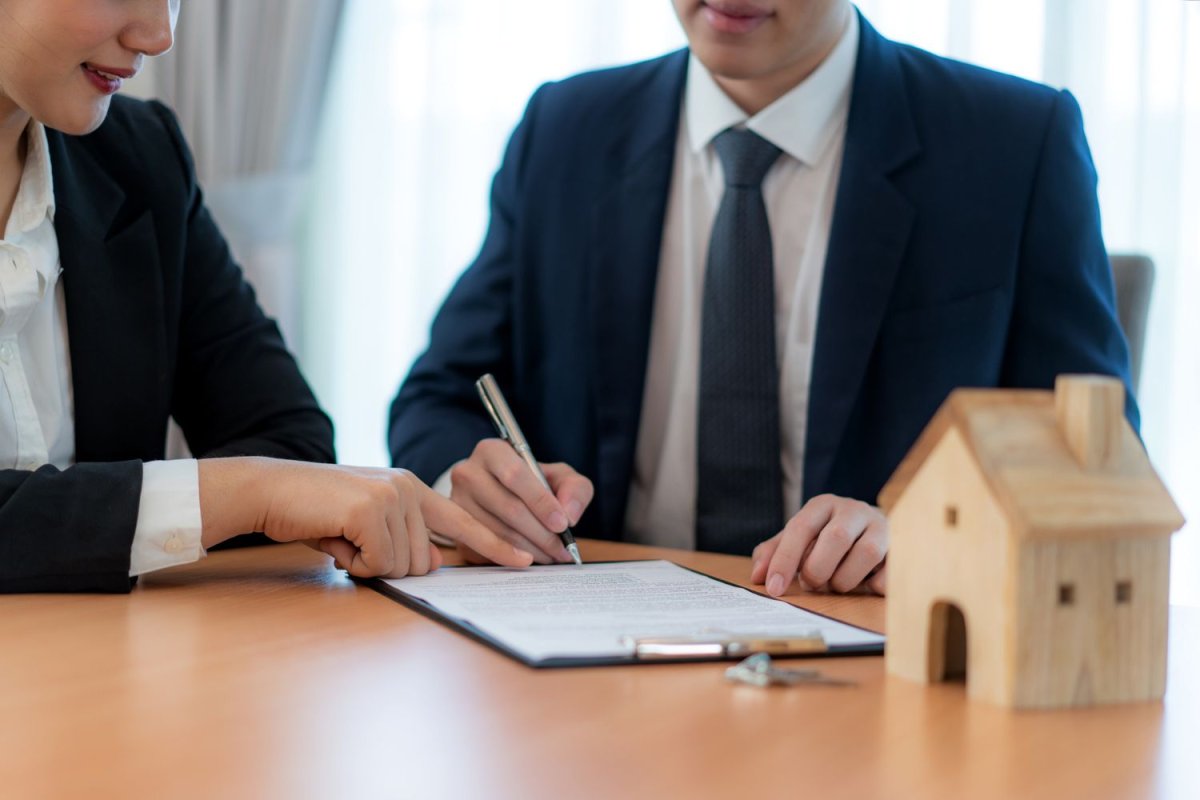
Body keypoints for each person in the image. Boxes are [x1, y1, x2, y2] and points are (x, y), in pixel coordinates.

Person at [388, 0, 1137, 596]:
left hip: (876, 662)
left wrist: (932, 535)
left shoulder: (1012, 142)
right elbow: (437, 396)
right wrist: (471, 480)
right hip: (590, 640)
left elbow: (1092, 463)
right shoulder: (565, 128)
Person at [0, 0, 531, 593]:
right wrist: (242, 492)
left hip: (103, 666)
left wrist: (260, 488)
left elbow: (290, 438)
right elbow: (271, 481)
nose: (158, 36)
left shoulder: (138, 159)